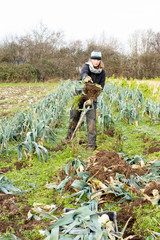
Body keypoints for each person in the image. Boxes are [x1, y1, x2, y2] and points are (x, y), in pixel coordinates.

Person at [65, 50, 106, 150]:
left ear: (100, 61)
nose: (96, 62)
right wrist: (86, 77)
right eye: (94, 59)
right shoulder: (86, 66)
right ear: (91, 59)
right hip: (80, 94)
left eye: (98, 60)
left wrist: (92, 99)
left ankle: (91, 145)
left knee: (91, 121)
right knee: (74, 116)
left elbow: (101, 87)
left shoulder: (102, 73)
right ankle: (68, 138)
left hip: (92, 97)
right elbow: (83, 73)